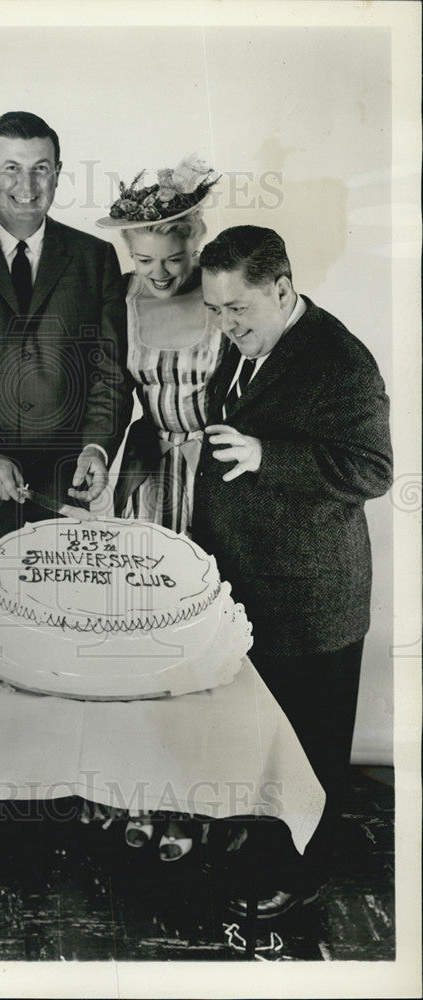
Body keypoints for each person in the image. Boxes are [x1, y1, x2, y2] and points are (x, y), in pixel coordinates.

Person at [193, 225, 393, 919]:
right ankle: (262, 844)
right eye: (214, 309)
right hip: (249, 586)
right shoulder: (248, 338)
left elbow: (372, 470)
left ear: (281, 289)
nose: (224, 325)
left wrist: (263, 455)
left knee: (308, 748)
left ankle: (304, 871)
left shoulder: (339, 363)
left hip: (311, 599)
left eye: (236, 310)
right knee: (259, 735)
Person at [0, 110, 132, 607]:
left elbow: (109, 371)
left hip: (63, 499)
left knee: (57, 658)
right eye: (12, 167)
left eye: (41, 168)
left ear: (57, 173)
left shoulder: (95, 257)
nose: (26, 184)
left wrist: (97, 448)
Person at [95, 156, 224, 860]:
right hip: (148, 482)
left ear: (195, 243)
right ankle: (136, 793)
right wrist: (96, 452)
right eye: (146, 259)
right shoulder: (120, 298)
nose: (162, 274)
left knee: (202, 642)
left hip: (215, 484)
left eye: (175, 258)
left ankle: (197, 805)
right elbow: (114, 397)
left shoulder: (223, 293)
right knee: (141, 638)